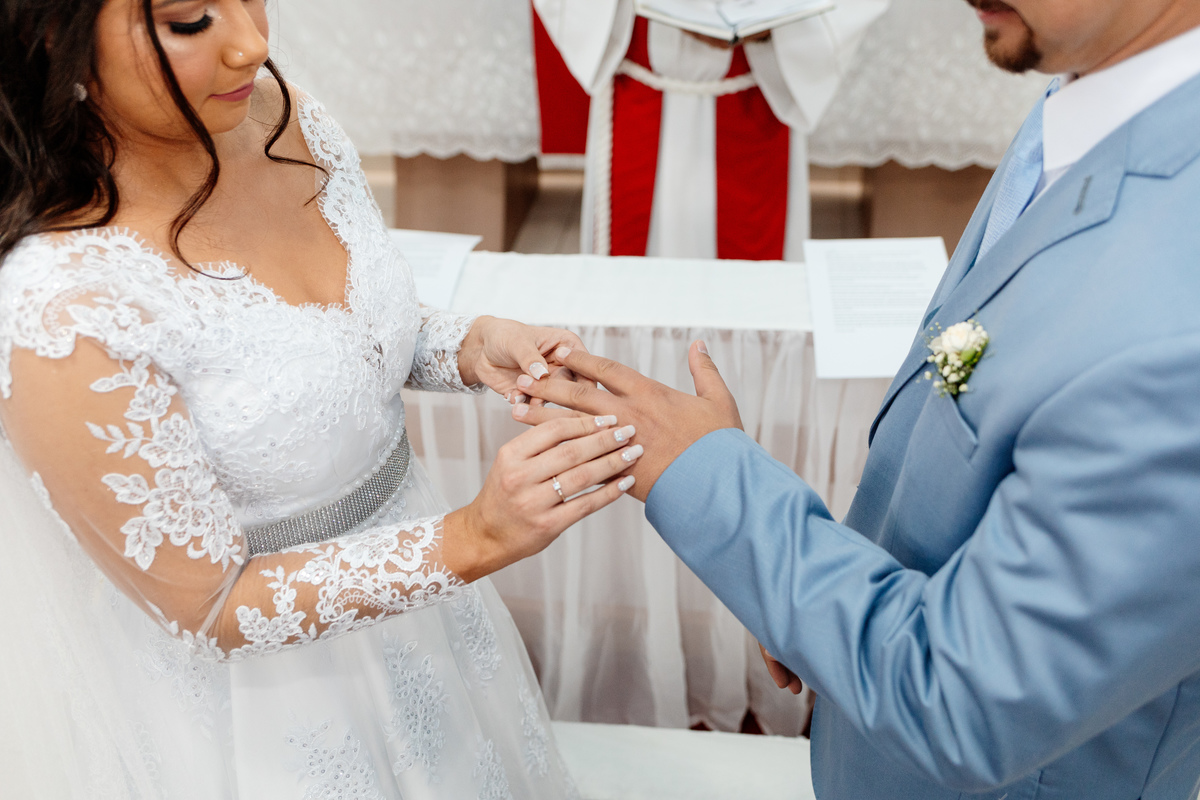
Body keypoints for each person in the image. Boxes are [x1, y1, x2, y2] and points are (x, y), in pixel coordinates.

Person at [511, 0, 1200, 797]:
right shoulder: (1087, 101)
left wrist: (703, 475)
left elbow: (964, 698)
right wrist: (809, 597)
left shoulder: (1175, 322)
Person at [0, 0, 644, 796]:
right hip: (268, 713)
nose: (251, 44)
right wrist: (476, 538)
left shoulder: (278, 114)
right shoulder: (60, 305)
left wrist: (468, 347)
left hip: (429, 621)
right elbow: (209, 607)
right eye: (193, 19)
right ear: (55, 36)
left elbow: (337, 334)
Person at [532, 0, 888, 260]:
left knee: (749, 289)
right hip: (639, 90)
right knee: (635, 284)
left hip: (753, 94)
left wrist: (776, 20)